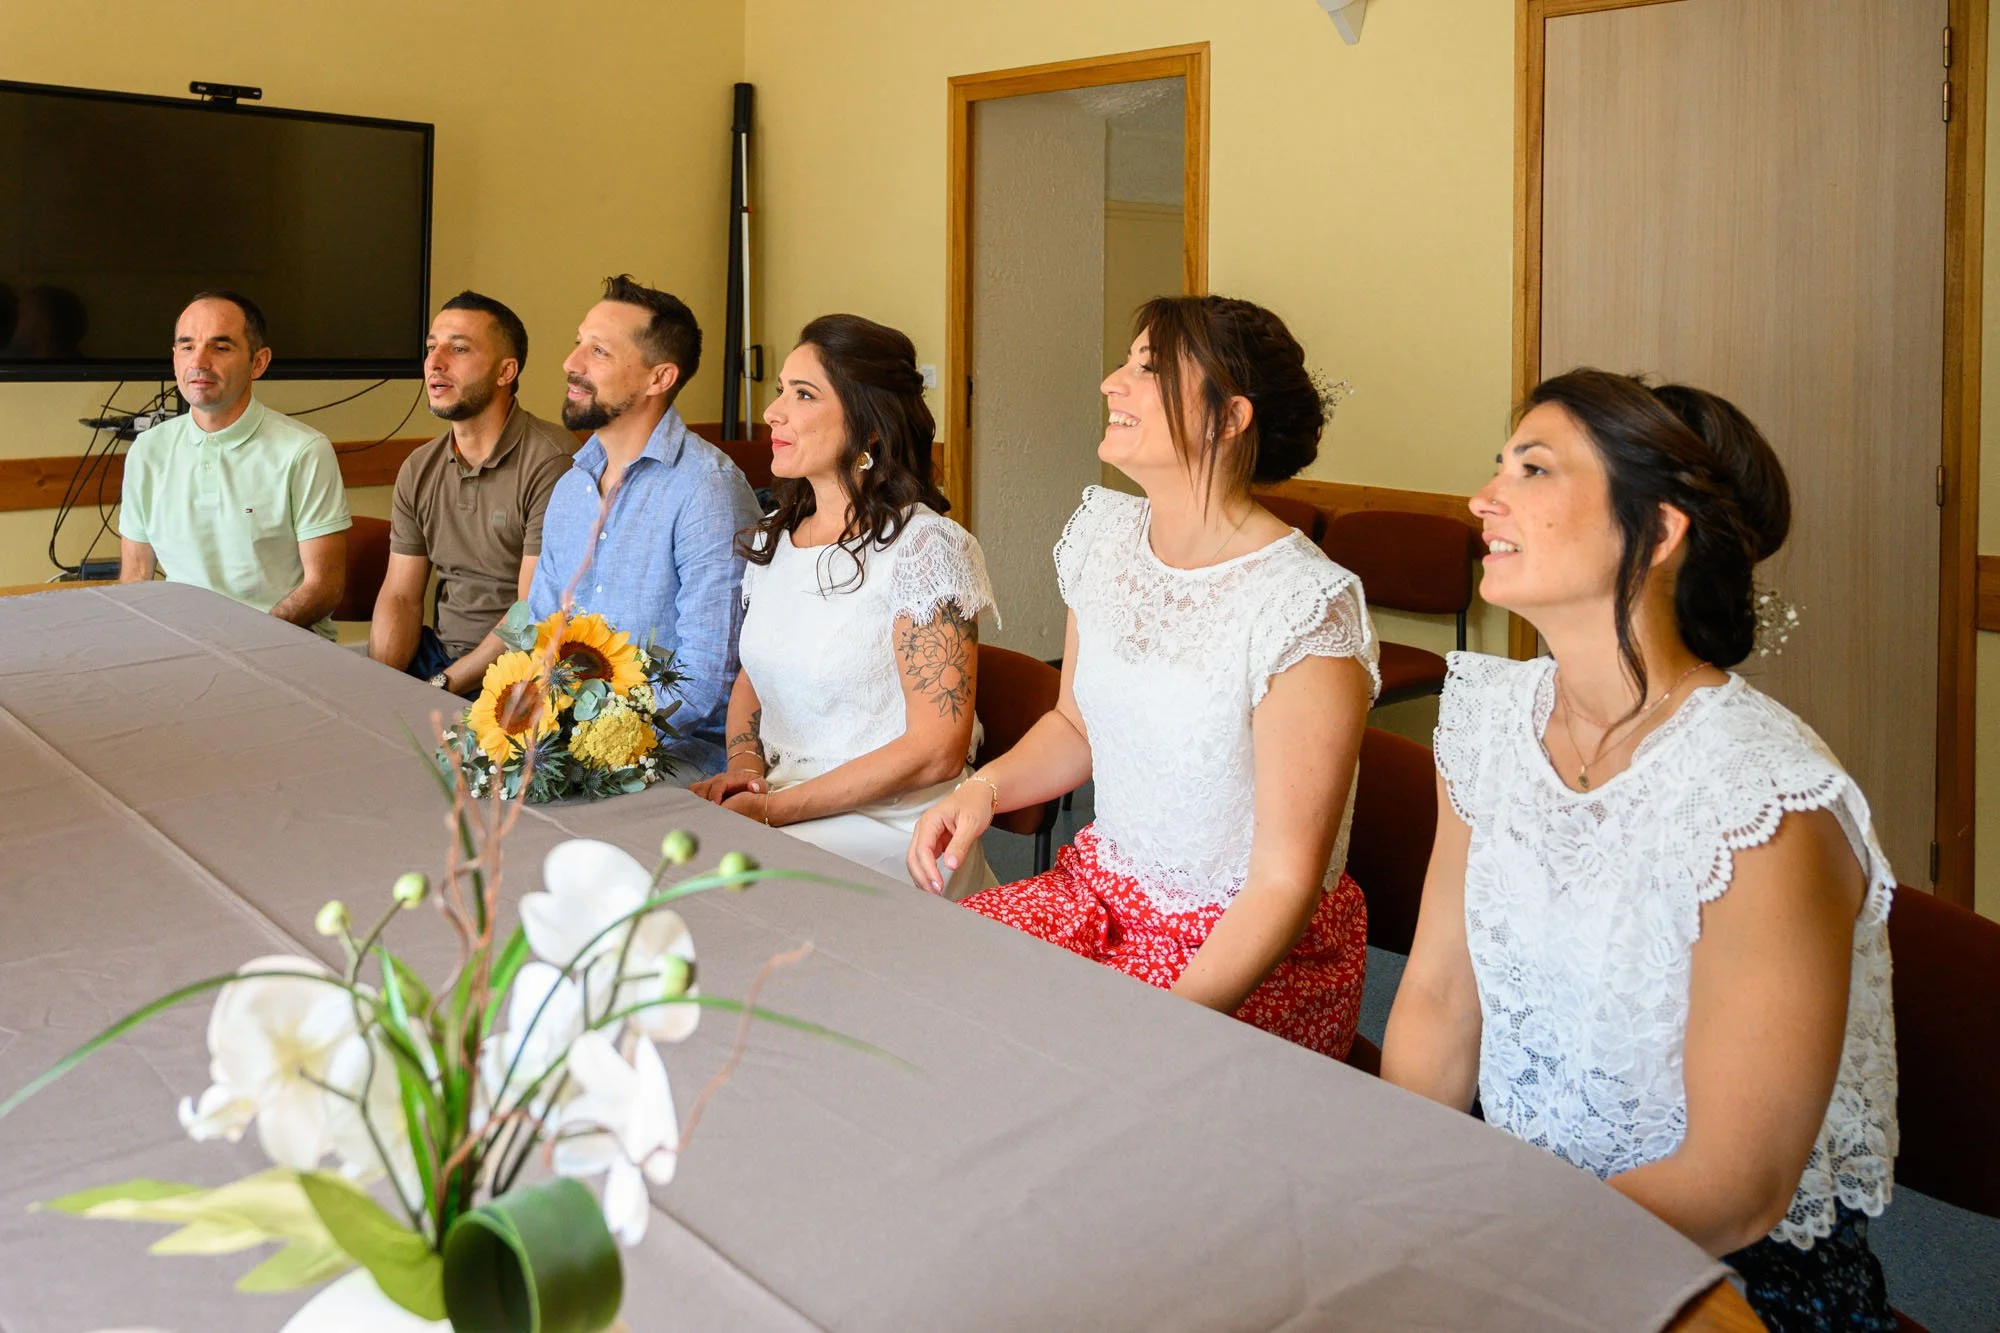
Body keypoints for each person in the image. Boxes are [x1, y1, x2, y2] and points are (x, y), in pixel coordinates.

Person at [1380, 370, 1896, 1331]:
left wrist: (1493, 1252)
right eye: (1499, 466)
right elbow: (1441, 995)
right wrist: (1407, 1193)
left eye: (1533, 469)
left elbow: (1737, 1185)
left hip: (1715, 1276)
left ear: (1658, 534)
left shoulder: (1760, 798)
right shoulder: (1489, 720)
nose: (1481, 499)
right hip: (1519, 1206)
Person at [909, 295, 1378, 1058]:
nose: (1110, 384)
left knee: (1060, 1069)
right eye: (1126, 362)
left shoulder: (1304, 608)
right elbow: (1075, 724)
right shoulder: (1107, 538)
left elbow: (1286, 885)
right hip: (1100, 893)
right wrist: (980, 788)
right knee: (937, 999)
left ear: (1229, 419)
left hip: (1241, 943)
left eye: (1148, 368)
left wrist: (1163, 1030)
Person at [688, 314, 997, 896]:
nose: (774, 411)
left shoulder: (926, 549)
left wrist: (774, 813)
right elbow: (754, 675)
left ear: (869, 429)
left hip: (896, 827)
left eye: (803, 395)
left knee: (711, 894)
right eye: (780, 389)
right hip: (786, 799)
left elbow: (937, 750)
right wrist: (748, 776)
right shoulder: (773, 541)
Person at [527, 275, 761, 777]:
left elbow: (704, 681)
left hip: (680, 755)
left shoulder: (707, 490)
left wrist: (586, 750)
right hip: (569, 743)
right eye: (577, 344)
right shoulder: (572, 485)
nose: (572, 363)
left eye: (599, 352)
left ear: (660, 379)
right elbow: (541, 631)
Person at [369, 291, 575, 694]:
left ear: (505, 371)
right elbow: (400, 597)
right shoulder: (419, 467)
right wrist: (381, 687)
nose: (435, 362)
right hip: (437, 657)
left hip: (520, 673)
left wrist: (443, 685)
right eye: (431, 347)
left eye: (458, 348)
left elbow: (531, 614)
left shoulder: (553, 461)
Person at [119, 291, 350, 638]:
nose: (199, 361)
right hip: (184, 646)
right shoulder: (148, 450)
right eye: (186, 346)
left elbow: (324, 587)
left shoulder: (304, 450)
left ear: (258, 362)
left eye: (220, 347)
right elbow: (136, 575)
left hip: (282, 642)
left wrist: (248, 642)